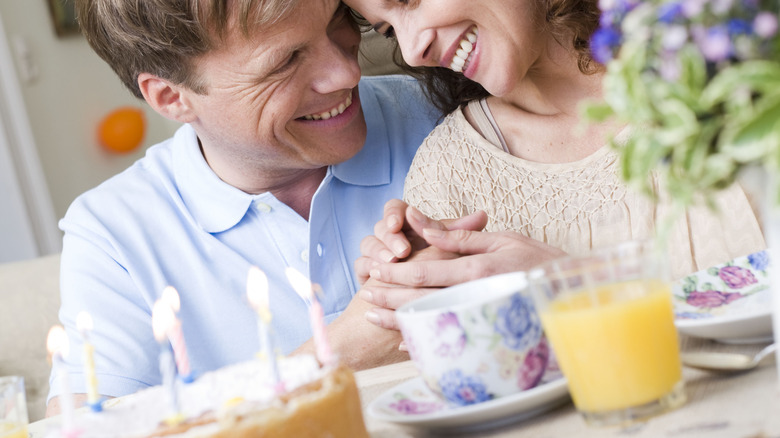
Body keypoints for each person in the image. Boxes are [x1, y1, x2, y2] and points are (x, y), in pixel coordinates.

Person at [46, 0, 447, 416]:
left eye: (337, 21)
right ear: (171, 97)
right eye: (286, 61)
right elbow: (82, 425)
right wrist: (342, 350)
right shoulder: (113, 231)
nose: (349, 73)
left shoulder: (445, 113)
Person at [345, 0, 766, 329]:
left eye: (410, 1)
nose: (413, 50)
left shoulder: (724, 44)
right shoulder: (448, 174)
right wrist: (416, 283)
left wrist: (574, 289)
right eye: (388, 30)